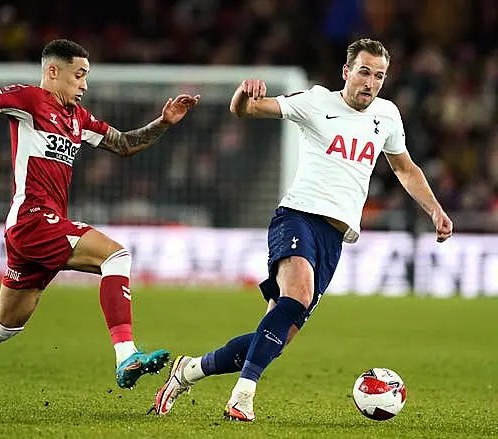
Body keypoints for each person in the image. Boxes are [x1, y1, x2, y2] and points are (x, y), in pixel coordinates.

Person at [153, 38, 453, 422]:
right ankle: (242, 396)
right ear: (346, 72)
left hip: (334, 238)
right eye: (364, 72)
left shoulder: (387, 116)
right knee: (298, 294)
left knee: (273, 339)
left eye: (379, 76)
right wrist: (244, 95)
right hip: (297, 216)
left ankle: (188, 370)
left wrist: (435, 211)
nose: (371, 82)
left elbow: (405, 168)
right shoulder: (316, 102)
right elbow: (244, 110)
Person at [0, 39, 200, 409]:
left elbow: (123, 144)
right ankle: (126, 355)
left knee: (5, 324)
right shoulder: (29, 100)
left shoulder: (78, 119)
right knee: (116, 256)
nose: (84, 85)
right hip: (33, 219)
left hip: (34, 229)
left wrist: (163, 122)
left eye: (86, 77)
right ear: (53, 72)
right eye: (79, 75)